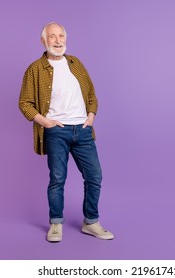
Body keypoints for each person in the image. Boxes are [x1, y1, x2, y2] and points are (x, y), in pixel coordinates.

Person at [19, 22, 114, 242]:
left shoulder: (76, 63)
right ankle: (55, 223)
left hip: (82, 131)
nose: (58, 40)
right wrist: (45, 121)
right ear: (44, 40)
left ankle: (91, 222)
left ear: (66, 39)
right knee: (57, 179)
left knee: (94, 176)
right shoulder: (35, 69)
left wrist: (91, 116)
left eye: (61, 36)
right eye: (52, 36)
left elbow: (91, 94)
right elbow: (24, 103)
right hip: (56, 132)